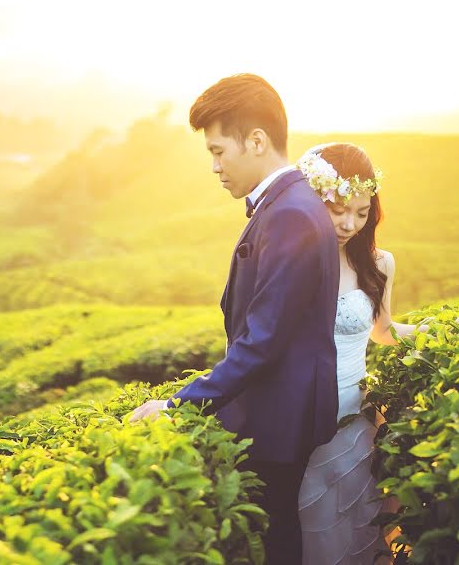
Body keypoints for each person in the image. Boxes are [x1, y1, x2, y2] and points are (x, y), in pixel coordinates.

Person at [130, 74, 340, 564]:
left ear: (258, 141)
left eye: (219, 151)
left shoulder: (289, 212)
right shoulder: (292, 202)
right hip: (283, 410)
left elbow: (263, 339)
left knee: (276, 538)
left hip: (278, 417)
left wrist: (180, 405)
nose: (214, 166)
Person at [294, 142, 459, 564]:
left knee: (364, 527)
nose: (349, 223)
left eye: (361, 214)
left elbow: (384, 331)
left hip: (358, 422)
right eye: (338, 209)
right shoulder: (295, 262)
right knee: (317, 532)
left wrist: (448, 328)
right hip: (304, 423)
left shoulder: (379, 264)